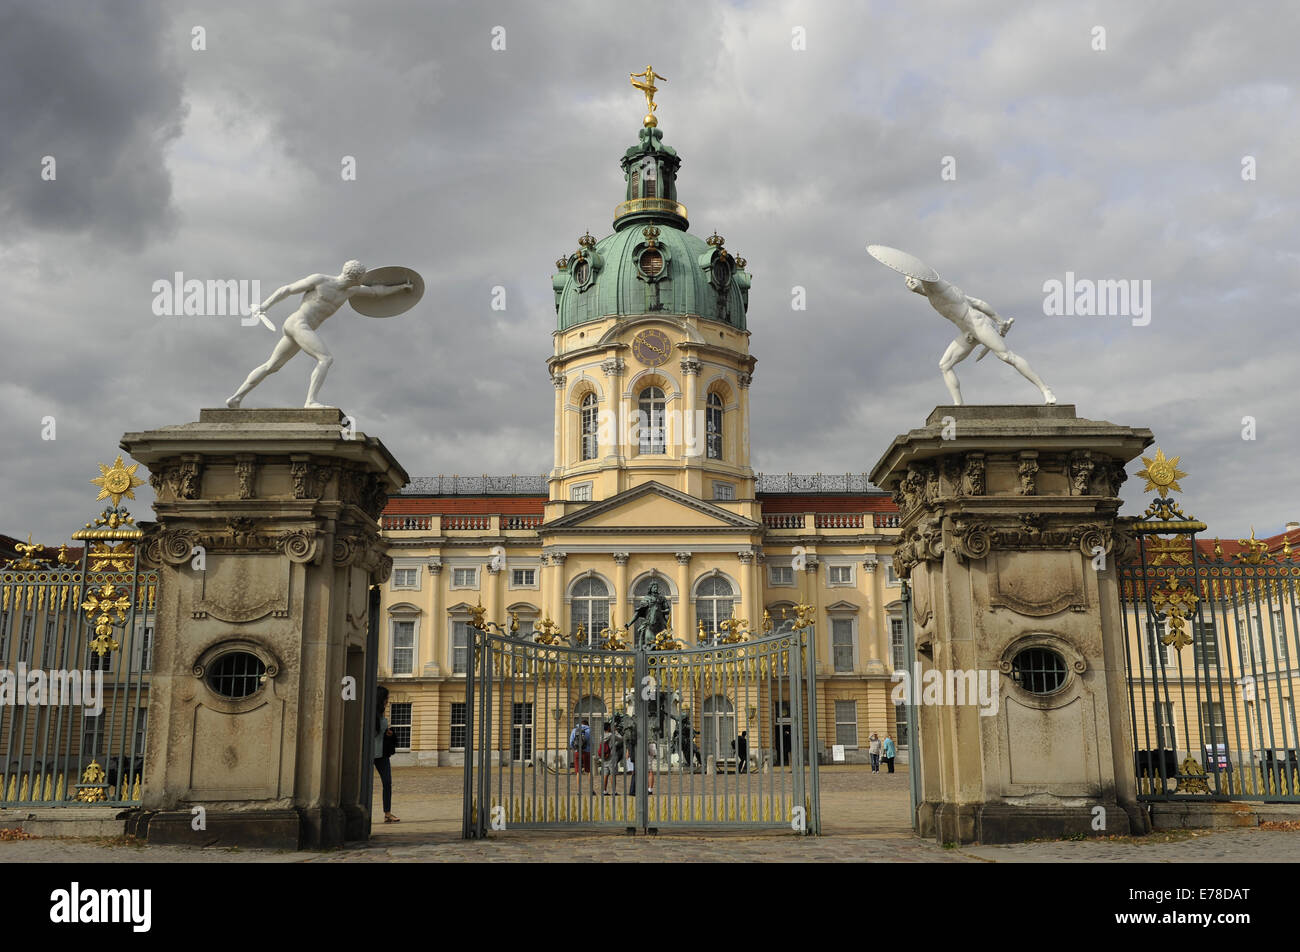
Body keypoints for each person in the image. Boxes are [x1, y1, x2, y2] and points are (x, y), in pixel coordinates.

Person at [226, 260, 413, 409]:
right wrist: (264, 306)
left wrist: (402, 286)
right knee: (325, 359)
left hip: (302, 327)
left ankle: (235, 398)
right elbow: (287, 290)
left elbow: (376, 292)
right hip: (298, 323)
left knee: (272, 366)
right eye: (362, 277)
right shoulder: (321, 280)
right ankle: (310, 402)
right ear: (356, 277)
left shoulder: (351, 290)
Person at [373, 685, 399, 822]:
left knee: (387, 782)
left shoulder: (381, 713)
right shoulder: (370, 713)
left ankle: (387, 813)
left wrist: (388, 733)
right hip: (369, 754)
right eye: (386, 698)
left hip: (382, 754)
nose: (387, 700)